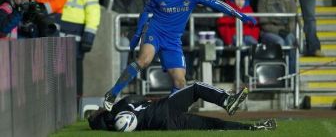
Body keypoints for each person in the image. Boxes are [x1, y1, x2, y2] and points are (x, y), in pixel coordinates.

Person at [103, 0, 257, 110]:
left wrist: (240, 15)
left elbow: (216, 3)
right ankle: (112, 94)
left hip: (173, 40)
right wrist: (138, 33)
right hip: (154, 32)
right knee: (144, 60)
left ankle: (168, 112)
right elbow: (145, 11)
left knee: (180, 81)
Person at [89, 82, 276, 131]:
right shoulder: (119, 107)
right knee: (196, 88)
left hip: (168, 123)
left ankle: (253, 127)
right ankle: (227, 101)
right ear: (100, 114)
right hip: (166, 107)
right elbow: (142, 98)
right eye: (96, 111)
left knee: (211, 125)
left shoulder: (113, 123)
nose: (99, 108)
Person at [61, 0, 101, 100]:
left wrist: (89, 36)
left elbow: (93, 14)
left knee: (75, 70)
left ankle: (76, 103)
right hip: (58, 31)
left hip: (77, 33)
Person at [257, 0, 297, 74]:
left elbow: (293, 18)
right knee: (280, 42)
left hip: (286, 31)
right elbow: (263, 22)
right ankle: (279, 74)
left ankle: (291, 75)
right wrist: (279, 31)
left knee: (291, 41)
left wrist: (288, 30)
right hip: (269, 32)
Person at [111, 0, 144, 72]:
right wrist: (120, 31)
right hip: (116, 32)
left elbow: (142, 18)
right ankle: (122, 75)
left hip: (133, 31)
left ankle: (142, 76)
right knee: (124, 42)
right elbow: (108, 19)